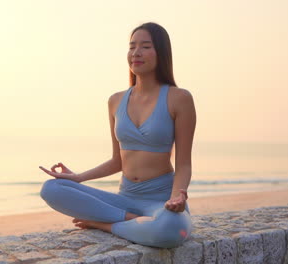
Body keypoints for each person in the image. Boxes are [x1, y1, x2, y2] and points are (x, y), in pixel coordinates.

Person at [38, 22, 196, 248]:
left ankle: (106, 225)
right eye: (132, 47)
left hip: (161, 201)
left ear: (161, 52)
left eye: (145, 46)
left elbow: (183, 164)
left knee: (171, 230)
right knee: (51, 189)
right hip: (123, 199)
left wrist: (177, 197)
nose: (136, 53)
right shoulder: (115, 101)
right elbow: (117, 161)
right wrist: (78, 177)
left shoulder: (179, 98)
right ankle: (134, 221)